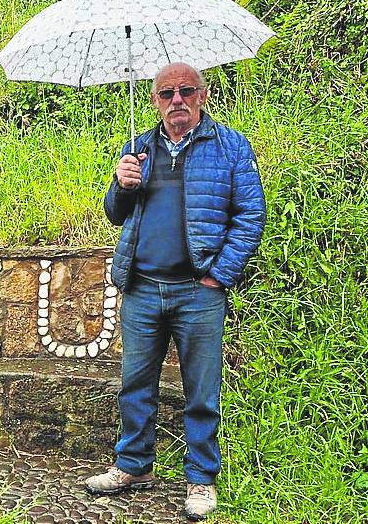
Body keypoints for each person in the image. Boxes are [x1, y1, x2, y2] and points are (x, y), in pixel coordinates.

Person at [85, 62, 266, 521]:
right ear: (155, 101)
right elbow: (114, 213)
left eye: (186, 91)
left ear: (203, 96)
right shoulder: (138, 148)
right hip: (143, 288)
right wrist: (121, 185)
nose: (177, 101)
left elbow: (249, 218)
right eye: (166, 94)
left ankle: (201, 480)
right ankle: (133, 467)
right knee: (135, 386)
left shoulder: (230, 147)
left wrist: (219, 274)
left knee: (201, 393)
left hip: (198, 292)